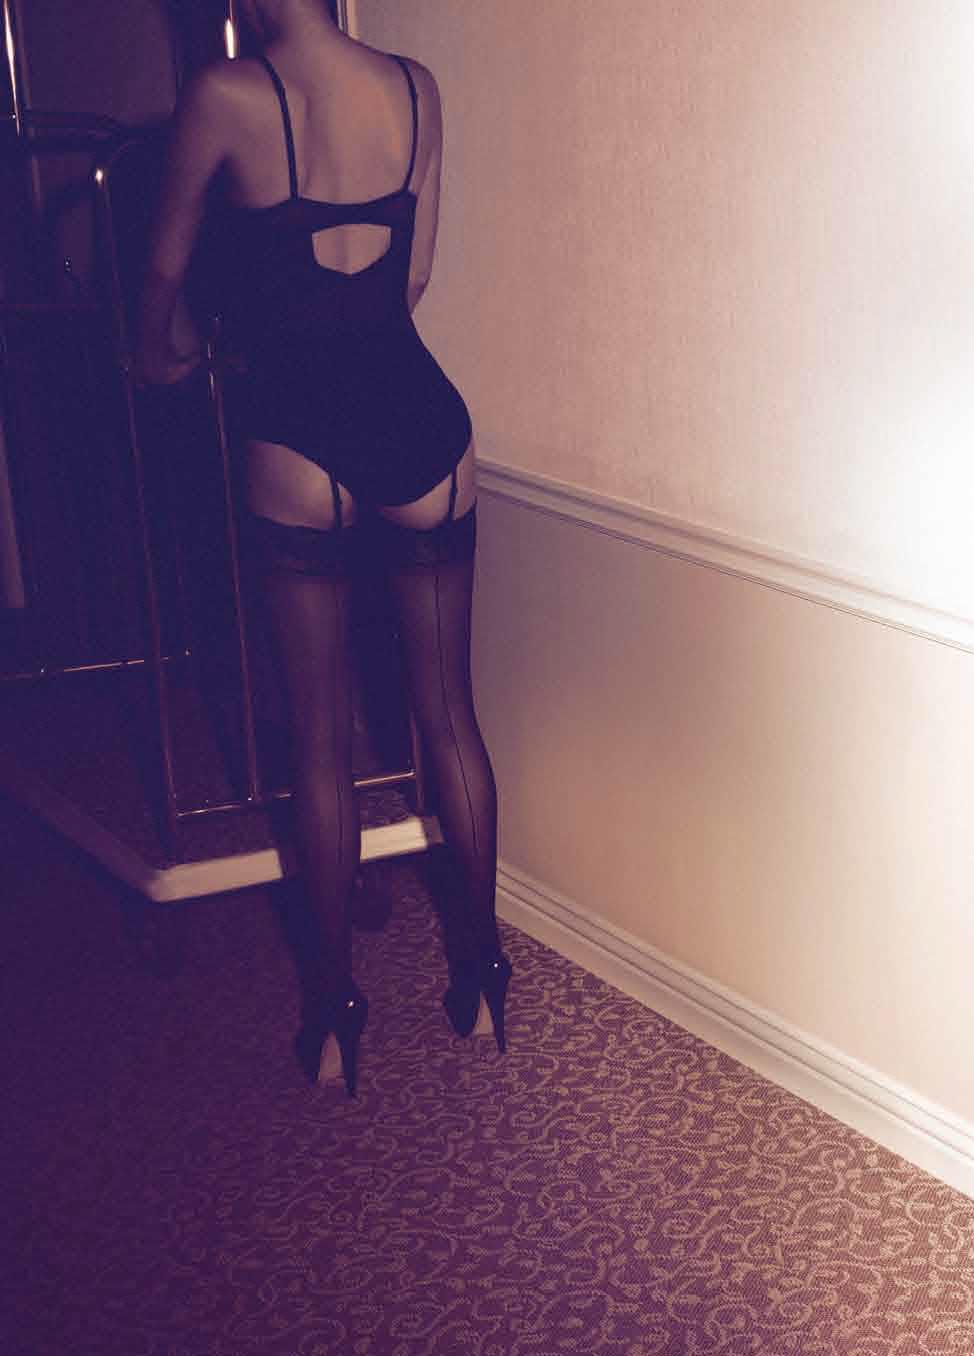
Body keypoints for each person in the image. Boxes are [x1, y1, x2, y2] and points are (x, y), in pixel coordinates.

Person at [133, 0, 507, 1097]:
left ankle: (337, 1015)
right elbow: (413, 277)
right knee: (450, 714)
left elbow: (162, 275)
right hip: (422, 421)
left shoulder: (225, 94)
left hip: (298, 429)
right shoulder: (417, 87)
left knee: (318, 740)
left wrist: (160, 353)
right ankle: (483, 972)